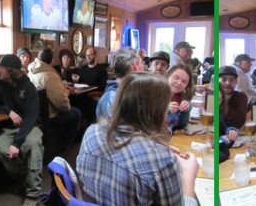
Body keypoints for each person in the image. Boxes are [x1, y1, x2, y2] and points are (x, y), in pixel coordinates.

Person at [77, 72, 200, 206]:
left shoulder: (92, 131)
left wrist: (158, 149)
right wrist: (189, 178)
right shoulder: (162, 161)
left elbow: (124, 154)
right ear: (157, 110)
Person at [0, 54, 44, 206]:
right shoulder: (0, 85)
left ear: (10, 70)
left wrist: (16, 143)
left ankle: (33, 195)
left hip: (30, 126)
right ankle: (23, 177)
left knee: (33, 145)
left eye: (0, 67)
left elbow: (31, 117)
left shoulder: (28, 87)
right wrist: (8, 111)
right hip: (9, 128)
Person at [28, 49, 82, 159]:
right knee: (76, 112)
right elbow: (63, 104)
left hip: (35, 116)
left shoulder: (31, 72)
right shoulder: (49, 75)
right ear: (52, 60)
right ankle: (66, 145)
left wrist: (63, 89)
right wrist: (66, 93)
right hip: (49, 117)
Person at [96, 48, 144, 119]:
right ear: (134, 66)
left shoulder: (128, 92)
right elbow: (114, 129)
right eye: (141, 63)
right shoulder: (112, 98)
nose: (143, 66)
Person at [165, 64, 192, 131]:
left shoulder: (181, 98)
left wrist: (185, 111)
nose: (179, 83)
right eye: (176, 78)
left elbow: (181, 125)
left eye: (184, 82)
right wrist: (165, 110)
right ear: (168, 76)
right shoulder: (153, 94)